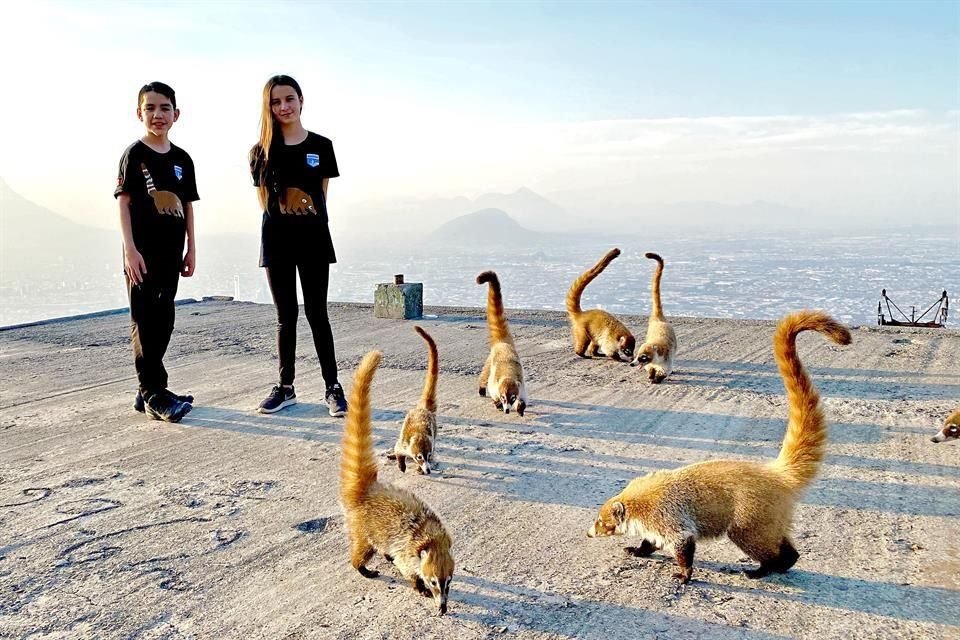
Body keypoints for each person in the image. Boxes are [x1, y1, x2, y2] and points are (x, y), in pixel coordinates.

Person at [249, 75, 347, 417]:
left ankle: (333, 387)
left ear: (301, 100)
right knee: (285, 316)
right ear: (269, 107)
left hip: (314, 238)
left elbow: (321, 194)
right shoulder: (260, 152)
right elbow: (266, 202)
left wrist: (312, 220)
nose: (283, 107)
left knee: (318, 313)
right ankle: (285, 386)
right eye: (276, 102)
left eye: (289, 99)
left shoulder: (321, 146)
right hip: (277, 240)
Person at [115, 82, 199, 422]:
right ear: (139, 114)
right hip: (142, 253)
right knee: (145, 320)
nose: (157, 114)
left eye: (164, 108)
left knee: (164, 319)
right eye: (150, 108)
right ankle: (153, 393)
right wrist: (129, 250)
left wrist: (192, 247)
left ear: (176, 114)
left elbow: (188, 206)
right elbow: (124, 203)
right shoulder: (134, 155)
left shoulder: (182, 159)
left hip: (171, 252)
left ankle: (147, 389)